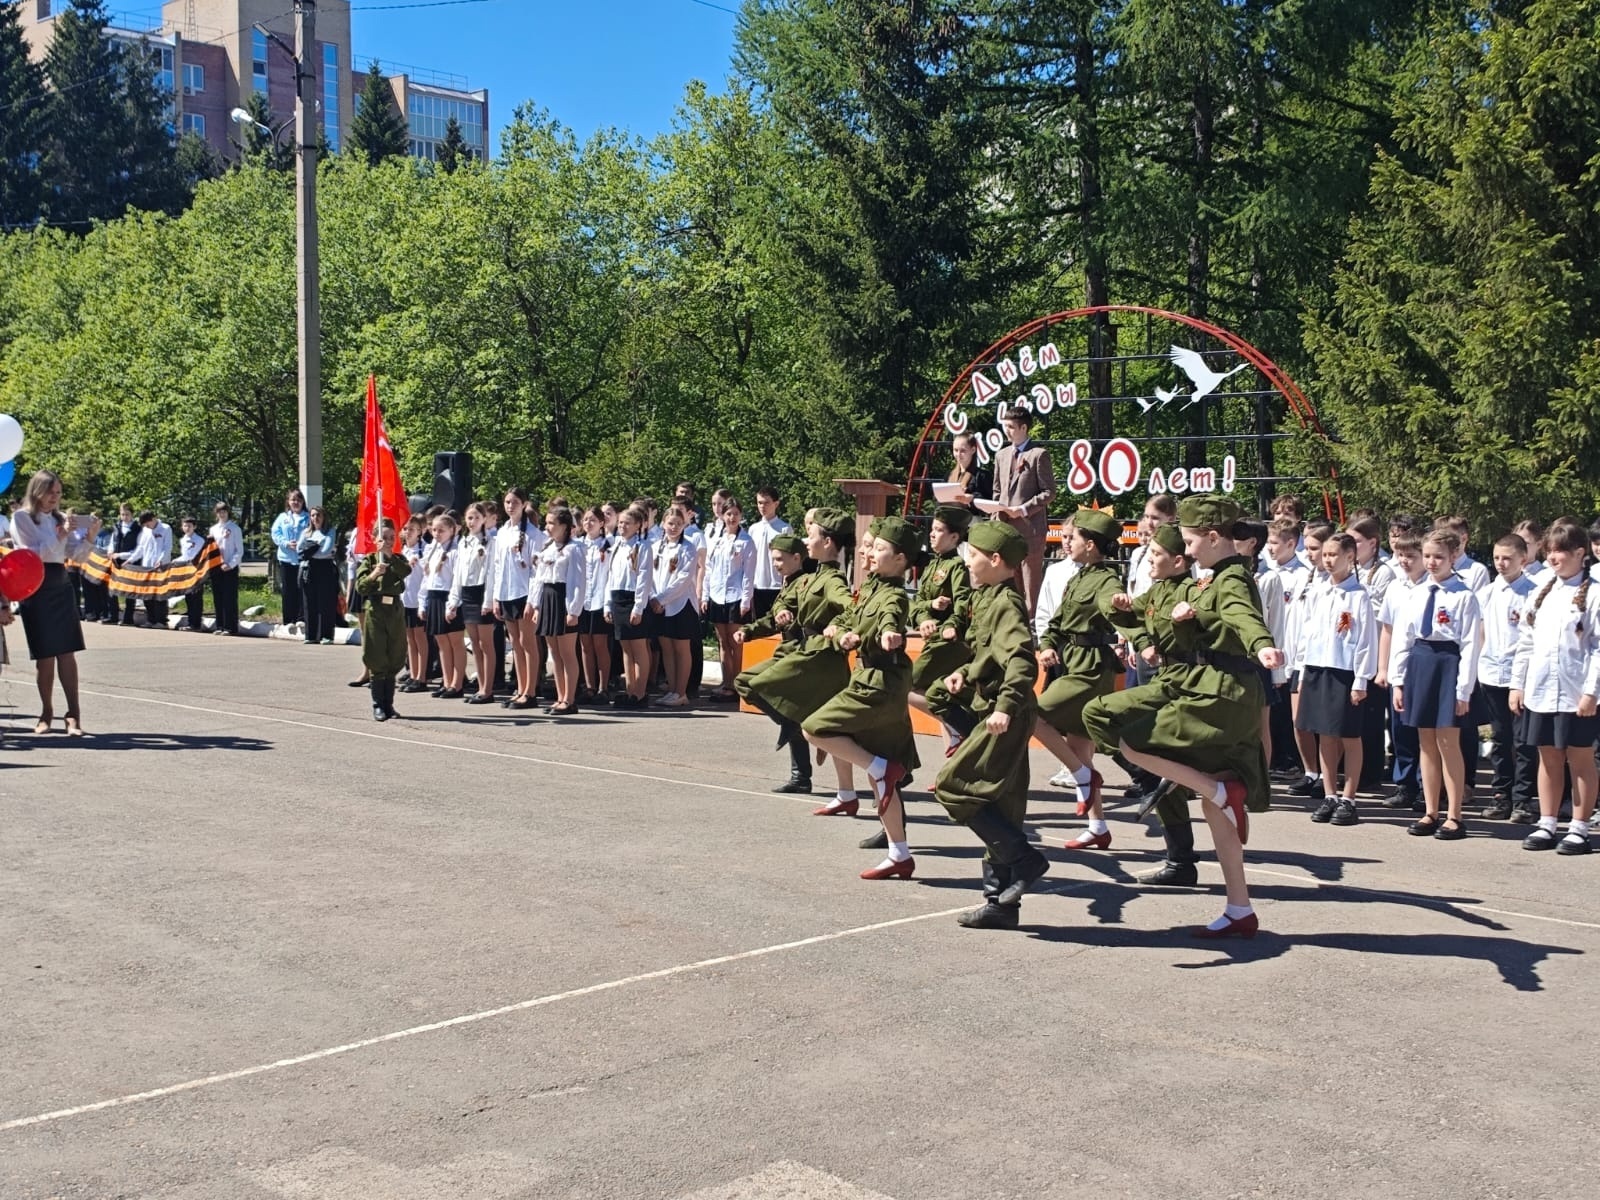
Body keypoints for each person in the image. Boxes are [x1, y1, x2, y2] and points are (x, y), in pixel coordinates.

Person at [1111, 496, 1284, 938]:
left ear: (1212, 537)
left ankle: (1218, 789)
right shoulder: (1212, 577)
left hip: (1223, 692)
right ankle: (1239, 908)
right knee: (1214, 810)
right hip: (1219, 687)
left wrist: (1261, 644)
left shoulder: (1231, 580)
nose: (1185, 551)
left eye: (1189, 541)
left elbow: (1243, 616)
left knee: (1133, 740)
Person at [935, 520, 1048, 928]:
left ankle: (1026, 859)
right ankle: (1000, 904)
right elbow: (993, 652)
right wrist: (967, 671)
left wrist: (1004, 706)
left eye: (974, 555)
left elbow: (1020, 658)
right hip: (999, 706)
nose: (968, 561)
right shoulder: (990, 597)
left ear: (996, 560)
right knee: (1002, 804)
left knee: (952, 785)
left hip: (1007, 713)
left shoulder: (1006, 603)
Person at [803, 516, 923, 880]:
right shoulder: (871, 586)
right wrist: (840, 631)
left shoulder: (892, 594)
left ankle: (881, 768)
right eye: (869, 547)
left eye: (879, 549)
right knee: (881, 778)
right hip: (874, 677)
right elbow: (854, 617)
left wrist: (888, 633)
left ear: (900, 560)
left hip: (880, 683)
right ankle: (899, 854)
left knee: (813, 729)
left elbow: (890, 617)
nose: (870, 554)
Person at [1083, 523, 1202, 885]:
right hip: (1160, 679)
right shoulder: (1159, 590)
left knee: (1098, 712)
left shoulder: (1192, 593)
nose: (1149, 560)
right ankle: (1180, 860)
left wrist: (1178, 623)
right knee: (1163, 771)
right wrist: (1121, 610)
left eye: (1156, 555)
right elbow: (1118, 610)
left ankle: (1147, 779)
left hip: (1182, 684)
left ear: (1178, 560)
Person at [1033, 508, 1138, 849]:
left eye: (1073, 537)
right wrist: (1047, 644)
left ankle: (1083, 777)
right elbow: (1057, 622)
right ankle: (1098, 826)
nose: (1067, 543)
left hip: (1091, 668)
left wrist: (1123, 610)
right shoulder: (1078, 576)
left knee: (1030, 714)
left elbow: (1113, 608)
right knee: (1079, 744)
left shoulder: (1107, 581)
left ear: (1091, 545)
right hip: (1070, 660)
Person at [736, 511, 856, 795]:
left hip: (817, 658)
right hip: (801, 652)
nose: (807, 540)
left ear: (827, 542)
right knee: (751, 686)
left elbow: (850, 608)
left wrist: (839, 629)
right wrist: (752, 629)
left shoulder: (832, 580)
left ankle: (885, 775)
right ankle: (798, 752)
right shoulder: (810, 579)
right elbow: (781, 606)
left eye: (811, 536)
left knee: (765, 690)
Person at [1509, 519, 1600, 854]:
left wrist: (1592, 691)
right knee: (1547, 757)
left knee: (1580, 759)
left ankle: (1578, 827)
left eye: (1560, 551)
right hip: (1541, 690)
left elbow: (1598, 648)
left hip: (1577, 693)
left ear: (1579, 553)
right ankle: (1546, 822)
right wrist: (1517, 685)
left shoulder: (1595, 592)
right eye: (1549, 551)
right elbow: (1526, 642)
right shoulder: (1541, 590)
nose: (1553, 558)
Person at [1389, 530, 1482, 840]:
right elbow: (1402, 637)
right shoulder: (1416, 593)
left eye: (1438, 557)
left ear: (1453, 557)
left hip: (1448, 665)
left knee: (1448, 742)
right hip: (1420, 663)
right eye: (1427, 556)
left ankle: (1454, 814)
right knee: (1425, 743)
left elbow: (1470, 645)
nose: (1431, 562)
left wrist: (1463, 690)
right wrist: (1398, 681)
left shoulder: (1463, 595)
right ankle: (1431, 811)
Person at [1293, 533, 1375, 826]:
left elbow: (1366, 640)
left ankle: (1349, 798)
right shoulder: (1317, 591)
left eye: (1334, 555)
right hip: (1317, 667)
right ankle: (1330, 794)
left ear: (1350, 557)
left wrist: (1361, 679)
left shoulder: (1358, 596)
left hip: (1345, 671)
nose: (1328, 560)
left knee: (1349, 736)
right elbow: (1307, 633)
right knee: (1324, 734)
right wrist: (1303, 670)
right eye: (1325, 555)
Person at [733, 533, 816, 790]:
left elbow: (807, 616)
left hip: (798, 655)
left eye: (780, 559)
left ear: (796, 558)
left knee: (747, 682)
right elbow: (771, 619)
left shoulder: (805, 584)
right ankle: (800, 776)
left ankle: (791, 731)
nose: (776, 564)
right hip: (787, 651)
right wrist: (748, 631)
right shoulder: (788, 583)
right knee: (790, 711)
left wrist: (790, 618)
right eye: (773, 560)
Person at [10, 470, 90, 736]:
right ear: (37, 491)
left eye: (58, 493)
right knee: (44, 656)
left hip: (60, 583)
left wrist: (89, 537)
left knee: (67, 652)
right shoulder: (22, 518)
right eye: (51, 492)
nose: (55, 498)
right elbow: (30, 553)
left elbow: (74, 556)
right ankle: (46, 712)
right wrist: (60, 534)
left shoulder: (59, 519)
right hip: (34, 584)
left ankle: (74, 714)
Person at [1477, 534, 1539, 822]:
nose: (1501, 564)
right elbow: (1481, 633)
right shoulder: (1488, 593)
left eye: (1508, 559)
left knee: (1523, 741)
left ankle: (1523, 799)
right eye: (1497, 558)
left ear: (1522, 560)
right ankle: (1501, 793)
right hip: (1492, 674)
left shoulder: (1533, 592)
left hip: (1522, 676)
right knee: (1500, 738)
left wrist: (1523, 679)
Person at [907, 505, 974, 754]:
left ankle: (958, 723)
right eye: (932, 529)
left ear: (954, 537)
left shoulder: (956, 566)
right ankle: (951, 769)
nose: (932, 534)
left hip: (948, 643)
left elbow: (964, 601)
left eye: (939, 530)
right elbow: (918, 601)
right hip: (933, 638)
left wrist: (952, 625)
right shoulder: (932, 566)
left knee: (907, 685)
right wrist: (926, 613)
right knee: (942, 697)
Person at [1373, 534, 1427, 812]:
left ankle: (1427, 785)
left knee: (1424, 731)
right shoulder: (1396, 587)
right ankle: (1405, 784)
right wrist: (1383, 668)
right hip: (1399, 667)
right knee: (1401, 729)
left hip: (1425, 667)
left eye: (1411, 556)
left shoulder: (1432, 586)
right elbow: (1387, 630)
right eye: (1401, 556)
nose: (1405, 562)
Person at [990, 408, 1056, 615]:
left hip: (1030, 530)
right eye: (1005, 426)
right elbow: (997, 490)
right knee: (1010, 577)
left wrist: (1025, 508)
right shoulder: (1001, 455)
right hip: (1005, 528)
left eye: (1010, 427)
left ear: (1023, 427)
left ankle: (1034, 623)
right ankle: (1015, 620)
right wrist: (995, 513)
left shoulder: (1038, 455)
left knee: (1030, 580)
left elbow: (1049, 492)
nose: (1006, 431)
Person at [489, 488, 542, 709]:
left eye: (515, 502)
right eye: (508, 502)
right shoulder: (502, 532)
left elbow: (536, 571)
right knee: (516, 644)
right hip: (507, 593)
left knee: (527, 642)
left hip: (524, 593)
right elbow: (498, 567)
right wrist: (495, 597)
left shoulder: (533, 534)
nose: (511, 506)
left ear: (523, 504)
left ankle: (530, 690)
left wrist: (533, 600)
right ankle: (520, 688)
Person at [532, 506, 586, 715]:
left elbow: (577, 581)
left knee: (567, 653)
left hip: (562, 599)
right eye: (547, 523)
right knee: (554, 653)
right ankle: (560, 696)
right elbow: (539, 578)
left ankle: (570, 699)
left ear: (564, 526)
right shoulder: (548, 548)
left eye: (553, 523)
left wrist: (573, 610)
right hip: (548, 598)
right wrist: (537, 605)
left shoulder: (574, 549)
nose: (548, 527)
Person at [357, 520, 411, 722]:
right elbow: (360, 588)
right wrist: (374, 574)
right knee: (377, 655)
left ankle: (389, 705)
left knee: (395, 654)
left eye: (392, 538)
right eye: (384, 538)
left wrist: (390, 558)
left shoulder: (398, 559)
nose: (388, 542)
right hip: (376, 610)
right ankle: (378, 705)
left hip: (395, 610)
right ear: (375, 539)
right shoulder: (370, 560)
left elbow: (406, 571)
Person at [703, 498, 756, 703]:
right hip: (717, 595)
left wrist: (745, 600)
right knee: (723, 642)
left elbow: (748, 574)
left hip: (735, 596)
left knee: (736, 642)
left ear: (741, 515)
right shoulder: (717, 539)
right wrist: (705, 595)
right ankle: (726, 683)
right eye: (728, 514)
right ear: (722, 516)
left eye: (735, 514)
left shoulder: (746, 541)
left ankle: (738, 683)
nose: (731, 518)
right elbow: (709, 570)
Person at [604, 505, 656, 709]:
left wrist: (638, 607)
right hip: (617, 598)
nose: (622, 526)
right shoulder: (617, 545)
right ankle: (630, 689)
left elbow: (644, 578)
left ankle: (640, 693)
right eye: (621, 522)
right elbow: (610, 576)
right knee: (625, 647)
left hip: (633, 598)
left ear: (638, 525)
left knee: (638, 647)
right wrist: (608, 604)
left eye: (627, 523)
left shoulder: (642, 547)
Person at [650, 505, 700, 708]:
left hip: (680, 604)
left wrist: (661, 599)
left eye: (678, 524)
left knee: (681, 648)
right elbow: (650, 576)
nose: (674, 527)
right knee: (666, 648)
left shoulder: (688, 548)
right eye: (670, 523)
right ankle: (671, 689)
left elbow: (683, 580)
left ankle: (681, 691)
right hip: (659, 605)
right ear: (663, 524)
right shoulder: (656, 547)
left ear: (684, 525)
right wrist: (654, 598)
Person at [448, 501, 496, 705]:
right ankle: (480, 686)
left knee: (486, 643)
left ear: (484, 519)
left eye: (477, 517)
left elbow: (491, 573)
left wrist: (488, 600)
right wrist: (453, 600)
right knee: (475, 643)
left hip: (481, 593)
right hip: (467, 594)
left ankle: (488, 689)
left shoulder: (489, 542)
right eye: (469, 517)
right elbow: (458, 574)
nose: (473, 521)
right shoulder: (463, 542)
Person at [423, 511, 465, 698]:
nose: (437, 534)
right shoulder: (433, 550)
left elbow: (457, 579)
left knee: (455, 642)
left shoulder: (455, 551)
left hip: (448, 597)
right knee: (442, 643)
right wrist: (423, 603)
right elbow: (428, 578)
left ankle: (457, 683)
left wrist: (453, 604)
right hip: (434, 597)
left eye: (441, 530)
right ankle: (447, 681)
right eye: (434, 530)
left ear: (451, 530)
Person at [577, 506, 614, 703]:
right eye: (585, 520)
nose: (588, 523)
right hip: (582, 601)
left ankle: (603, 687)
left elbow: (609, 575)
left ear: (601, 523)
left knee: (600, 644)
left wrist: (607, 604)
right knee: (585, 645)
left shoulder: (608, 545)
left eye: (593, 520)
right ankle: (589, 686)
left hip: (599, 600)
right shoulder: (578, 545)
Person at [296, 506, 340, 645]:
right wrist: (315, 547)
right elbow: (299, 549)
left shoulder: (329, 532)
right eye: (313, 515)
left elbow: (326, 550)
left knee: (325, 602)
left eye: (318, 515)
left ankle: (326, 635)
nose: (315, 518)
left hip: (325, 568)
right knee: (309, 602)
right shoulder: (306, 532)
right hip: (309, 568)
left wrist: (309, 549)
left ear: (324, 517)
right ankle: (311, 635)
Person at [397, 516, 430, 694]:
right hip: (405, 600)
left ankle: (422, 676)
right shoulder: (403, 550)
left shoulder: (423, 550)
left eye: (412, 529)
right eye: (406, 528)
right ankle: (414, 673)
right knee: (410, 640)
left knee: (420, 639)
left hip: (417, 600)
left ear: (420, 532)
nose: (408, 532)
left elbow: (426, 576)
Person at [747, 487, 792, 619]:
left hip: (776, 585)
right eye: (760, 503)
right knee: (760, 624)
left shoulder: (784, 528)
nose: (762, 506)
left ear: (776, 503)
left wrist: (786, 584)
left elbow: (789, 559)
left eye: (766, 503)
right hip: (757, 585)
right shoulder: (753, 529)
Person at [271, 489, 310, 632]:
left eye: (298, 500)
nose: (296, 503)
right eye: (293, 500)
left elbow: (312, 534)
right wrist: (286, 543)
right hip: (286, 558)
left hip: (302, 559)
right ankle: (289, 620)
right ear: (288, 502)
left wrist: (301, 545)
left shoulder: (308, 517)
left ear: (302, 502)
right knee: (288, 590)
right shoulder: (283, 518)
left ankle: (301, 618)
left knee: (302, 589)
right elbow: (275, 533)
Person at [127, 511, 169, 629]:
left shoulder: (165, 528)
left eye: (148, 523)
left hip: (160, 566)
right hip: (146, 566)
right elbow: (141, 548)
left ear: (153, 519)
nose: (147, 526)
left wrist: (161, 560)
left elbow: (167, 547)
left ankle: (162, 620)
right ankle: (151, 619)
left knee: (159, 595)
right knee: (147, 594)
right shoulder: (145, 530)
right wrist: (131, 559)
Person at [209, 503, 243, 636]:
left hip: (230, 567)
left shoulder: (235, 529)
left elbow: (239, 550)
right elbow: (212, 549)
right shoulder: (213, 529)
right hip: (216, 567)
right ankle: (220, 625)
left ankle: (230, 627)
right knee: (218, 597)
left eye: (224, 511)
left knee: (229, 597)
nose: (222, 514)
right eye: (219, 512)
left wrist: (231, 564)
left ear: (228, 512)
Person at [107, 504, 140, 626]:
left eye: (127, 514)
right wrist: (110, 551)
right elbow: (112, 541)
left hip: (130, 561)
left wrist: (121, 555)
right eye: (122, 514)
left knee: (130, 591)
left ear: (132, 514)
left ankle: (128, 618)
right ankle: (113, 616)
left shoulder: (137, 529)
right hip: (116, 562)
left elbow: (138, 549)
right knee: (112, 589)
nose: (124, 517)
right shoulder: (117, 526)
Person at [946, 430, 993, 513]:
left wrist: (972, 498)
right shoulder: (949, 475)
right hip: (951, 520)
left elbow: (990, 501)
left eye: (963, 451)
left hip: (973, 522)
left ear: (973, 450)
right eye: (956, 450)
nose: (958, 454)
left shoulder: (981, 476)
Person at [176, 516, 207, 632]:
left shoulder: (199, 540)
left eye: (189, 526)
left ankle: (196, 624)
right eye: (185, 525)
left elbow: (192, 556)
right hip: (186, 571)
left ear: (194, 527)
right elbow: (184, 555)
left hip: (197, 571)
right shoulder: (183, 540)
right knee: (188, 597)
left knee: (196, 598)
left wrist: (178, 561)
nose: (187, 528)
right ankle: (190, 622)